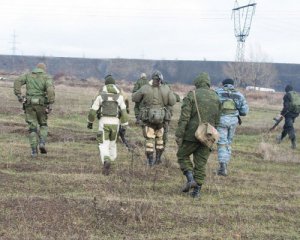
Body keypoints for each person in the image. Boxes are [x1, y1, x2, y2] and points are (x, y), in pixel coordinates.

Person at [175, 72, 221, 198]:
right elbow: (218, 119)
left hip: (191, 135)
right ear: (208, 82)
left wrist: (179, 134)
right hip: (208, 135)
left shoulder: (192, 95)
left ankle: (190, 180)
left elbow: (184, 117)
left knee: (182, 155)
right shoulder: (216, 97)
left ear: (197, 82)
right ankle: (196, 193)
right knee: (201, 163)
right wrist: (213, 136)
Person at [132, 70, 176, 166]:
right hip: (161, 119)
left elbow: (134, 98)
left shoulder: (145, 88)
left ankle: (150, 162)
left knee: (149, 140)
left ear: (152, 78)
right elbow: (172, 102)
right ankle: (158, 159)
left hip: (148, 120)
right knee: (160, 140)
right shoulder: (166, 88)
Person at [87, 74, 128, 175]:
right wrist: (124, 125)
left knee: (103, 144)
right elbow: (124, 112)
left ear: (105, 84)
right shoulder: (119, 97)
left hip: (103, 122)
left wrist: (90, 122)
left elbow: (92, 111)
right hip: (115, 123)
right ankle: (111, 160)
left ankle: (106, 160)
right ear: (114, 84)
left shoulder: (101, 96)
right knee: (112, 144)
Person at [13, 62, 55, 157]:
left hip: (29, 103)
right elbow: (50, 90)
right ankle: (42, 143)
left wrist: (19, 95)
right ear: (44, 69)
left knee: (32, 128)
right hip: (41, 104)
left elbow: (17, 81)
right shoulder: (47, 77)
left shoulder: (28, 75)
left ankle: (33, 151)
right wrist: (50, 102)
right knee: (43, 125)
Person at [215, 78, 249, 176]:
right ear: (233, 85)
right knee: (228, 143)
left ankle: (222, 168)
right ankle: (225, 165)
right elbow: (244, 111)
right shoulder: (239, 94)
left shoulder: (217, 92)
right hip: (233, 121)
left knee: (222, 143)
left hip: (221, 121)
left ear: (223, 84)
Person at [276, 85, 299, 149]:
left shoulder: (287, 95)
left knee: (289, 127)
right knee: (286, 126)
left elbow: (286, 107)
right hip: (296, 113)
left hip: (289, 114)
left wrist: (281, 114)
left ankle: (293, 143)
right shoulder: (296, 94)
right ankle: (280, 139)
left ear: (286, 90)